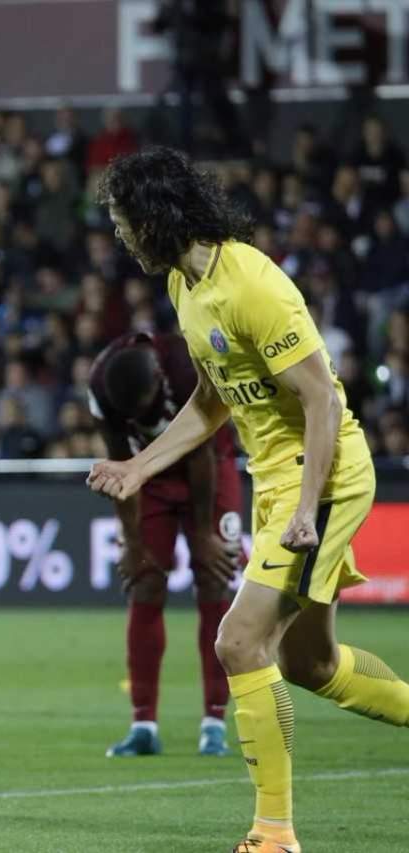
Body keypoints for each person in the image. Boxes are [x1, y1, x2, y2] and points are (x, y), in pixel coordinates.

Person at [89, 147, 409, 853]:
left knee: (238, 640)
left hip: (322, 477)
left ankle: (273, 834)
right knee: (311, 666)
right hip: (279, 478)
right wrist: (139, 467)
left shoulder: (253, 285)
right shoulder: (183, 285)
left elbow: (322, 397)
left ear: (154, 216)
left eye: (121, 222)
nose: (118, 237)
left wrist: (304, 508)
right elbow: (210, 402)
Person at [88, 331, 242, 758]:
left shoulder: (182, 361)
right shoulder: (101, 390)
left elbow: (201, 454)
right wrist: (133, 544)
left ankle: (214, 721)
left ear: (158, 379)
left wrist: (205, 534)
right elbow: (120, 465)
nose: (141, 415)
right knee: (145, 582)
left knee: (213, 579)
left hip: (212, 463)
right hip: (148, 474)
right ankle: (143, 725)